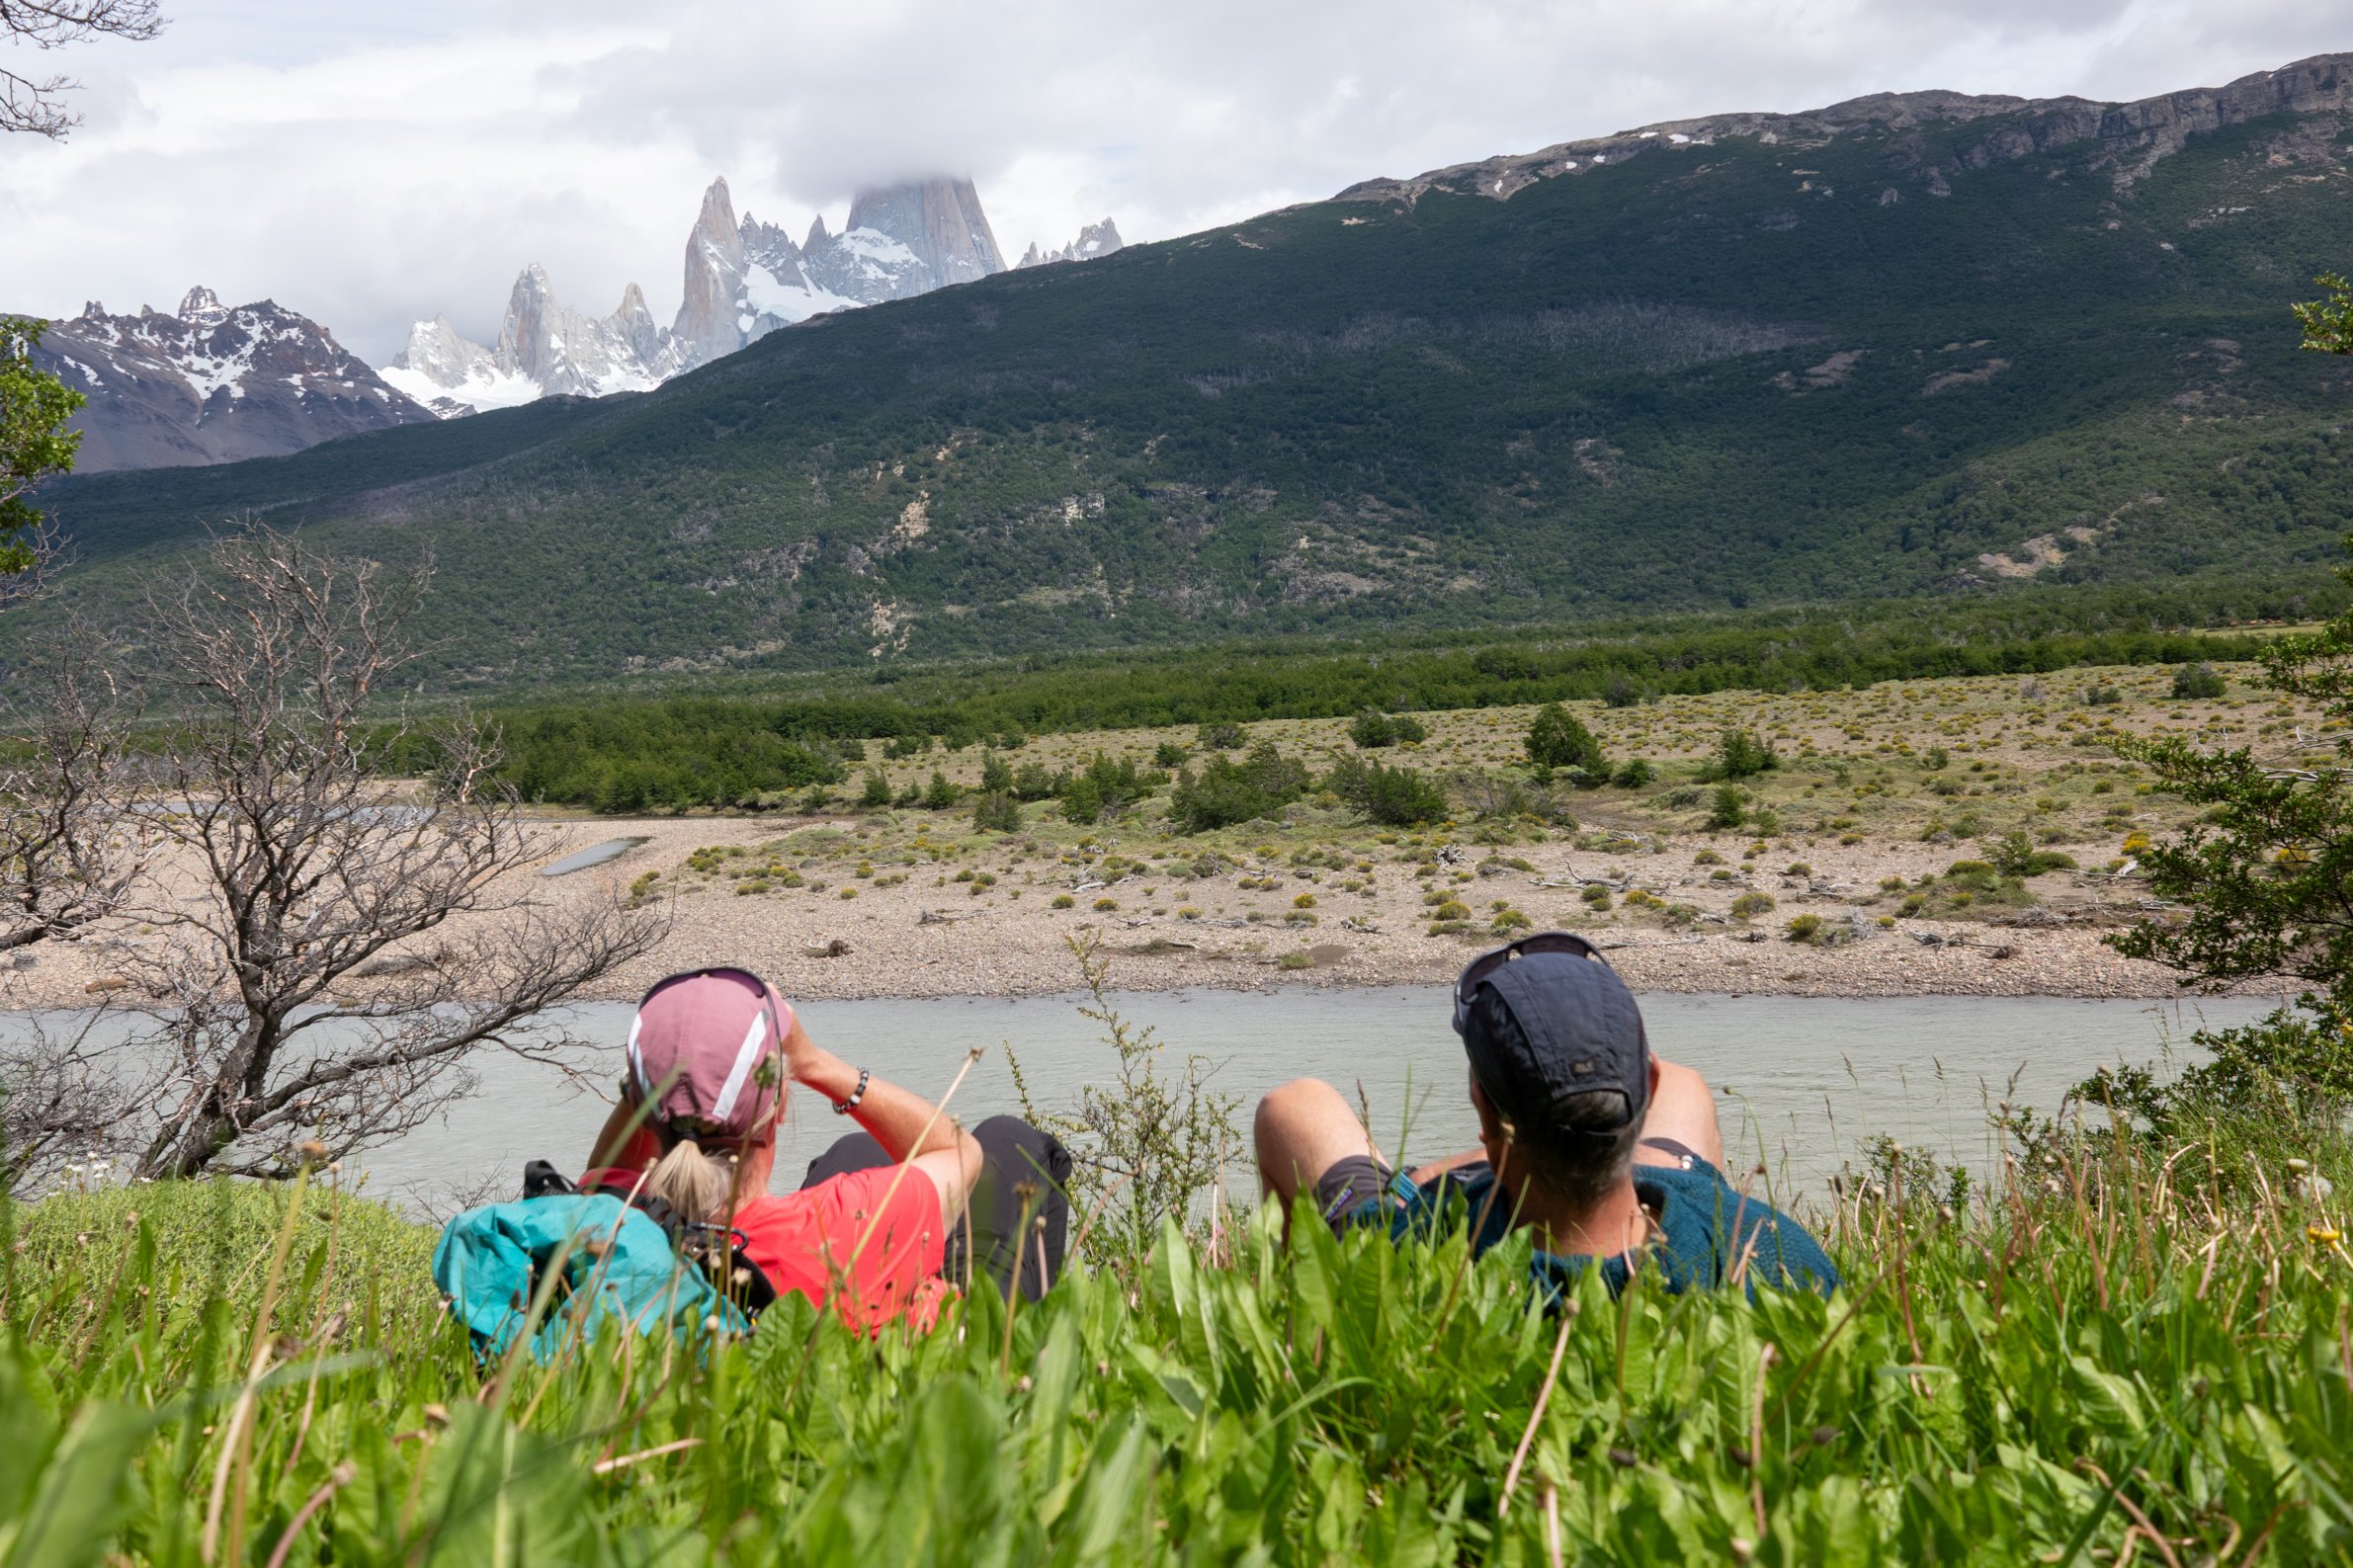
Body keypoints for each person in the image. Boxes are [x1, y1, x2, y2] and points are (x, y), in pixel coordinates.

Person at [1254, 933, 1838, 1299]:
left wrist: (1434, 1177)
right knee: (1689, 1086)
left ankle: (1287, 1313)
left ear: (1486, 1114)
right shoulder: (1778, 1252)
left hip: (1456, 1201)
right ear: (1647, 1086)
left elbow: (1292, 1112)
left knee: (1295, 1104)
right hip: (1661, 1195)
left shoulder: (1405, 1256)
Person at [581, 967, 1069, 1331]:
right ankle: (1033, 1356)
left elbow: (605, 1172)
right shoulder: (840, 1222)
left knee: (855, 1150)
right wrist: (815, 1063)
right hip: (930, 1362)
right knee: (1011, 1139)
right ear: (779, 1103)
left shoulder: (610, 1228)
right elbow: (961, 1154)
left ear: (642, 1107)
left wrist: (656, 1079)